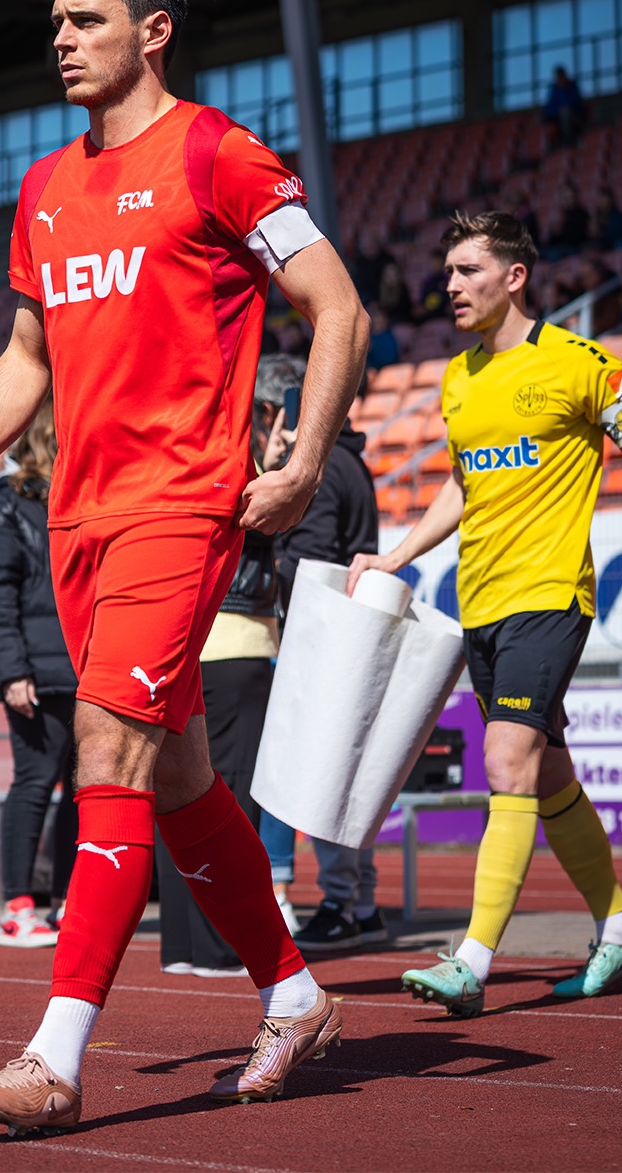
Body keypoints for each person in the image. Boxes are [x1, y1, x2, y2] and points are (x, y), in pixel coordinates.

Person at [0, 0, 369, 1132]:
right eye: (56, 23)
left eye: (87, 20)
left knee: (109, 756)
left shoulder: (219, 153)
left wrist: (303, 460)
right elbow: (28, 353)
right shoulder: (44, 187)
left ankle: (54, 1058)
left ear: (153, 30)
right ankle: (295, 994)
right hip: (75, 513)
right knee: (177, 774)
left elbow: (336, 307)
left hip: (179, 505)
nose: (62, 41)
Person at [348, 210, 622, 1015]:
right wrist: (397, 555)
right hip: (480, 602)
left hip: (550, 595)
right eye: (447, 272)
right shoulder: (457, 377)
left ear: (514, 277)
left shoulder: (584, 363)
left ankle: (472, 959)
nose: (450, 285)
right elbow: (461, 482)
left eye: (468, 271)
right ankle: (620, 932)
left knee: (506, 765)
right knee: (548, 774)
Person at [155, 359, 291, 979]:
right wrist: (282, 465)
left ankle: (185, 945)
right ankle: (217, 946)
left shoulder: (174, 445)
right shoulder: (233, 450)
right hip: (235, 641)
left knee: (180, 789)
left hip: (186, 636)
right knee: (226, 793)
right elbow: (266, 517)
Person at [256, 355, 387, 953]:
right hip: (347, 629)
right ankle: (360, 902)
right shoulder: (352, 460)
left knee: (307, 773)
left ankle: (329, 901)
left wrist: (278, 470)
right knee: (341, 771)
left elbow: (308, 559)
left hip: (320, 633)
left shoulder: (322, 466)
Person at [0, 399, 78, 949]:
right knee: (34, 783)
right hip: (37, 672)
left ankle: (68, 903)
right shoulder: (6, 504)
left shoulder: (76, 499)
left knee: (82, 791)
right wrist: (11, 672)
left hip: (84, 667)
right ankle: (16, 910)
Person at [542, 65, 587, 148]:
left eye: (561, 76)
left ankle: (568, 140)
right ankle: (549, 144)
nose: (560, 79)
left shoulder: (572, 87)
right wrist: (557, 110)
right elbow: (549, 107)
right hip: (557, 116)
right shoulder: (555, 89)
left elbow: (577, 103)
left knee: (565, 112)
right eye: (559, 77)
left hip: (574, 115)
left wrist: (565, 108)